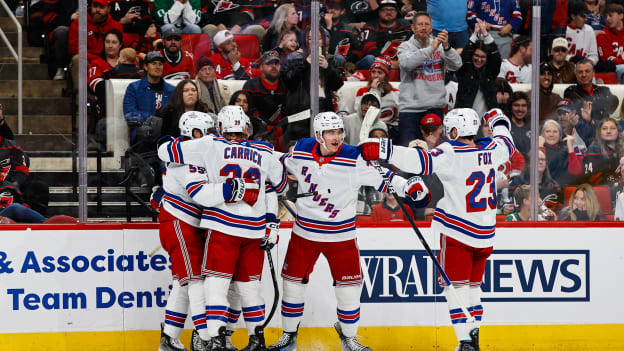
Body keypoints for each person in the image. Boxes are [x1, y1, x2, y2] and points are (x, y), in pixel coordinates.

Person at [359, 107, 516, 351]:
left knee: (455, 288)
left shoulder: (451, 151)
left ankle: (465, 341)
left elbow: (419, 161)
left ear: (454, 130)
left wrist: (383, 149)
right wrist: (497, 118)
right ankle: (474, 338)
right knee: (474, 288)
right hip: (486, 234)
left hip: (458, 231)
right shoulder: (493, 150)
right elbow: (506, 140)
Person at [267, 112, 425, 351]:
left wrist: (408, 186)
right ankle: (289, 335)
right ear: (319, 135)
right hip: (304, 234)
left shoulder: (354, 158)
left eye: (339, 131)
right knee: (292, 286)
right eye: (331, 132)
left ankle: (349, 336)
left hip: (341, 236)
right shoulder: (301, 150)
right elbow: (280, 164)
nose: (337, 137)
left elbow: (385, 177)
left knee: (349, 290)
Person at [158, 105, 287, 351]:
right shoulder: (263, 150)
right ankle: (209, 337)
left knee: (206, 283)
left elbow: (165, 150)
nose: (208, 134)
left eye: (210, 130)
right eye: (203, 131)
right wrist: (270, 220)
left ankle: (207, 337)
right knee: (204, 282)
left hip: (218, 225)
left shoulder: (209, 146)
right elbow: (277, 186)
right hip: (189, 222)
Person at [157, 111, 215, 351]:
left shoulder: (189, 151)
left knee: (183, 283)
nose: (213, 138)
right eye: (208, 132)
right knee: (195, 281)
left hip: (185, 222)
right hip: (179, 221)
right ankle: (205, 338)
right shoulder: (183, 158)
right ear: (194, 132)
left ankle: (169, 338)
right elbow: (202, 195)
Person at [397, 11, 462, 146]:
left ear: (431, 28)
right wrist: (431, 49)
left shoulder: (439, 46)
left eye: (427, 24)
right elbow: (407, 64)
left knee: (435, 153)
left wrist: (447, 47)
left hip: (434, 108)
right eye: (420, 24)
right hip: (410, 110)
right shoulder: (405, 47)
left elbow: (457, 65)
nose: (423, 27)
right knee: (408, 153)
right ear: (413, 28)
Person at [123, 51, 176, 151]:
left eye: (160, 64)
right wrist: (152, 120)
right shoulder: (134, 88)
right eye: (154, 63)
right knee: (145, 130)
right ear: (146, 67)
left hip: (166, 133)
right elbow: (129, 113)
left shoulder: (171, 90)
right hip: (143, 133)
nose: (158, 66)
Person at [563, 59, 619, 144]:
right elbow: (575, 111)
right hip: (582, 135)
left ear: (593, 73)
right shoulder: (571, 91)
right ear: (576, 75)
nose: (584, 75)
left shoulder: (604, 90)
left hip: (604, 133)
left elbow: (611, 108)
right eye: (580, 72)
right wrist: (600, 103)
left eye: (587, 71)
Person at [68, 0, 123, 85]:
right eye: (95, 6)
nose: (97, 10)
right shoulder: (78, 23)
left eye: (101, 7)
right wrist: (97, 60)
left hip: (109, 60)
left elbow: (121, 47)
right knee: (77, 59)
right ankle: (80, 96)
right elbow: (75, 49)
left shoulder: (116, 26)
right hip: (88, 60)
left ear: (108, 9)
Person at [455, 19, 502, 117]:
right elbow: (464, 57)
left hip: (487, 121)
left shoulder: (490, 72)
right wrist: (475, 33)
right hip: (465, 120)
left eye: (482, 57)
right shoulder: (465, 70)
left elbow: (496, 57)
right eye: (476, 55)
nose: (479, 59)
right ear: (471, 56)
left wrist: (485, 33)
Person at [242, 50, 288, 145]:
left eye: (276, 63)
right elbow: (245, 115)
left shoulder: (286, 86)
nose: (274, 66)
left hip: (282, 135)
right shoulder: (251, 86)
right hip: (256, 134)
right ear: (261, 66)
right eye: (269, 63)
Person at [353, 56, 399, 132]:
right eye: (373, 72)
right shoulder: (362, 91)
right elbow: (360, 114)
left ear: (386, 76)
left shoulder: (395, 92)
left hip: (391, 129)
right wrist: (374, 91)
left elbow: (400, 116)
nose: (375, 76)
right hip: (369, 129)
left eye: (380, 73)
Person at [323, 0, 369, 69]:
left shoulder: (348, 28)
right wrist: (328, 28)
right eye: (330, 8)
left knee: (370, 58)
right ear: (326, 10)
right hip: (327, 61)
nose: (332, 10)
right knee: (339, 57)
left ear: (342, 11)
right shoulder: (321, 27)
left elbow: (358, 47)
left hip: (349, 62)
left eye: (336, 8)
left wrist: (349, 62)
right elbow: (324, 47)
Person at [539, 119, 584, 188]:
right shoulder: (535, 149)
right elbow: (540, 170)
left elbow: (576, 172)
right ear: (542, 134)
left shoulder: (566, 149)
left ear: (560, 134)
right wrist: (540, 148)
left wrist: (570, 148)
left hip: (564, 188)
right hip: (544, 188)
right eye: (548, 131)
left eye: (555, 132)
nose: (551, 135)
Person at [581, 117, 624, 186]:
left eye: (612, 128)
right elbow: (592, 177)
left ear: (618, 132)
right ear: (599, 132)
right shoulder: (593, 150)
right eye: (604, 128)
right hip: (600, 191)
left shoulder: (621, 148)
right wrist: (615, 183)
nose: (608, 131)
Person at [596, 3, 624, 82]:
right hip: (614, 68)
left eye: (610, 16)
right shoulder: (602, 35)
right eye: (606, 16)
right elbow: (607, 58)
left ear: (621, 16)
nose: (607, 19)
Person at [566, 0, 599, 64]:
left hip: (586, 66)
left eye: (587, 15)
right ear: (573, 16)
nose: (586, 19)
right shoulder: (563, 30)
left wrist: (589, 62)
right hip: (568, 67)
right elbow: (558, 55)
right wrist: (571, 59)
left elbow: (594, 55)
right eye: (583, 16)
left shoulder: (589, 29)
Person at [508, 91, 531, 158]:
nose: (520, 109)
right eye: (516, 105)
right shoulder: (505, 127)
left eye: (523, 106)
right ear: (511, 107)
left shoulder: (533, 127)